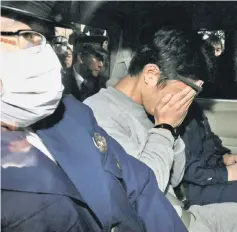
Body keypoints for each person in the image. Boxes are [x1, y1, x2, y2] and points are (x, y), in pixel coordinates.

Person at [1, 2, 187, 231]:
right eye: (27, 36)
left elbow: (142, 186)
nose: (45, 53)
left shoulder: (73, 114)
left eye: (47, 38)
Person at [84, 28, 237, 232]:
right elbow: (142, 192)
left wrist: (170, 128)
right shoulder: (99, 114)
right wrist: (165, 128)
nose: (187, 104)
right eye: (185, 94)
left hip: (183, 216)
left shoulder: (149, 108)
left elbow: (175, 176)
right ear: (151, 74)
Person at [178, 100, 237, 205]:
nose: (200, 85)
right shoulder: (170, 115)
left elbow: (208, 139)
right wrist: (226, 174)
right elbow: (185, 171)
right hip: (191, 189)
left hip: (209, 170)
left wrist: (224, 157)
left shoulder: (192, 106)